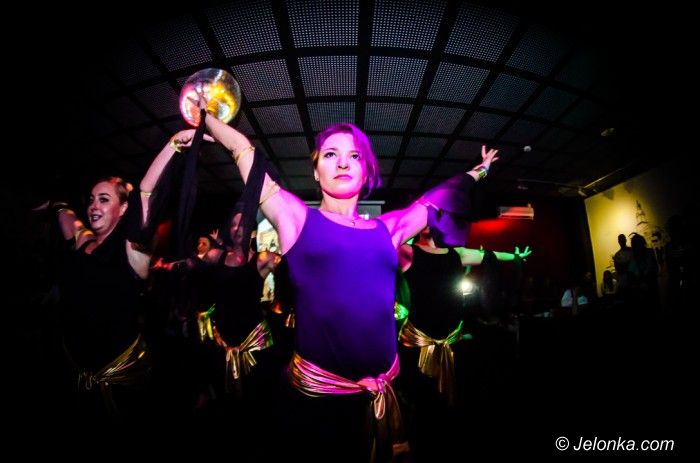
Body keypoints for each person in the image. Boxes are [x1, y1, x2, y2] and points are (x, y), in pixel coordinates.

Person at [201, 106, 498, 461]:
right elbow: (244, 152)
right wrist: (205, 117)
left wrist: (479, 170)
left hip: (384, 390)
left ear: (366, 170)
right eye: (330, 154)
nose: (343, 163)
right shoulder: (298, 220)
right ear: (316, 171)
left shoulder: (388, 229)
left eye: (354, 156)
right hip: (316, 402)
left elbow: (439, 197)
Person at [36, 129, 208, 420]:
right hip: (72, 370)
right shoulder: (83, 241)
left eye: (104, 199)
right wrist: (56, 205)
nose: (94, 205)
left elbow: (147, 192)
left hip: (117, 382)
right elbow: (68, 218)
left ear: (124, 208)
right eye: (92, 199)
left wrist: (173, 144)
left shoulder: (132, 251)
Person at [397, 227, 530, 458]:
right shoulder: (406, 251)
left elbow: (488, 255)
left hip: (452, 343)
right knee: (420, 402)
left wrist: (515, 256)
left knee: (452, 402)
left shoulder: (456, 253)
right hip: (418, 346)